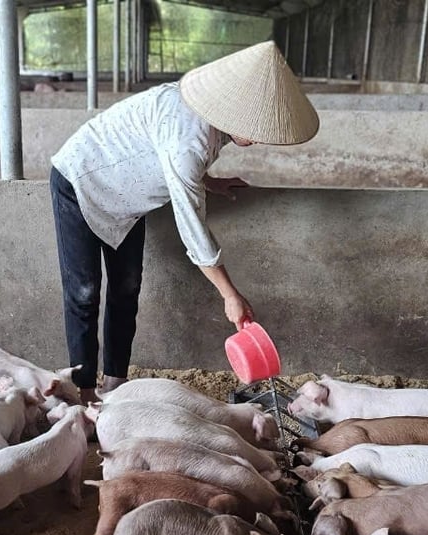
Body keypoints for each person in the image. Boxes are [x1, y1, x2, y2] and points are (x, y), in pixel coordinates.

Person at [49, 41, 319, 403]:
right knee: (84, 292)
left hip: (127, 198)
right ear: (229, 108)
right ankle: (82, 391)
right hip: (81, 180)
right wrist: (230, 294)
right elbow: (192, 227)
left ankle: (114, 386)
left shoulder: (208, 121)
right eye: (251, 124)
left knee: (127, 289)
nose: (255, 137)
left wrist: (210, 181)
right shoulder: (188, 140)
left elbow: (173, 161)